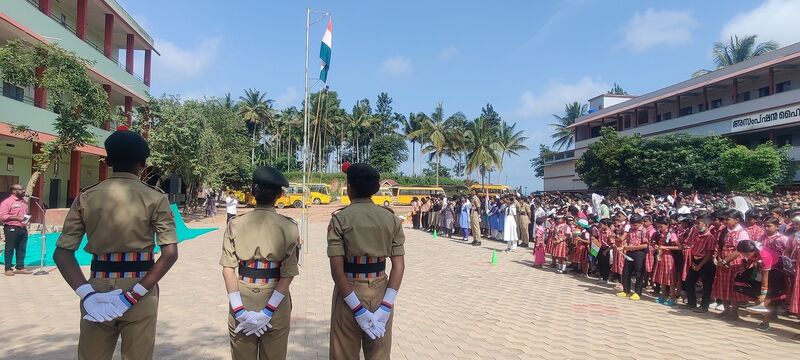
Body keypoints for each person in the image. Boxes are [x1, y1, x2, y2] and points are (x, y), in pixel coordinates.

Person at [53, 128, 179, 360]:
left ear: (108, 160)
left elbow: (62, 254)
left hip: (98, 286)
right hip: (141, 287)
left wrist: (87, 295)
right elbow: (170, 253)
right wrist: (133, 295)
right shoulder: (155, 197)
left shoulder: (86, 196)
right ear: (143, 163)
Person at [327, 163, 405, 360]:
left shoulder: (340, 219)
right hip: (380, 291)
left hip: (348, 292)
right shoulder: (391, 220)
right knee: (378, 354)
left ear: (350, 188)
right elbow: (398, 266)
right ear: (376, 189)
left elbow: (337, 271)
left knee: (343, 354)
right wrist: (386, 306)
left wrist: (356, 308)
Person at [220, 166, 299, 359]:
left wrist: (239, 310)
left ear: (253, 192)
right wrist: (268, 310)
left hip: (243, 297)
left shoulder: (235, 224)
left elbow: (228, 270)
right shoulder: (289, 227)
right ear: (280, 195)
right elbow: (287, 274)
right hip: (276, 301)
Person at [736, 239, 786, 331]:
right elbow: (750, 259)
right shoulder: (752, 251)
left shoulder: (764, 256)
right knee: (741, 279)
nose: (744, 256)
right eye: (743, 254)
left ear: (754, 250)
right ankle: (761, 307)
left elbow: (765, 277)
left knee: (768, 296)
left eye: (747, 254)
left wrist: (763, 293)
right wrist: (746, 266)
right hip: (761, 270)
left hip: (774, 272)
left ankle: (765, 322)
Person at [712, 209, 750, 320]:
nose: (725, 221)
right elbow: (720, 245)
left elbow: (739, 250)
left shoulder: (742, 232)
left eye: (728, 219)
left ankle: (734, 312)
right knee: (723, 286)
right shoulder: (725, 231)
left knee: (734, 287)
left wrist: (725, 261)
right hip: (723, 260)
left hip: (735, 263)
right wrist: (719, 258)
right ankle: (726, 310)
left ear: (737, 220)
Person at [685, 215, 717, 312]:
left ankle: (704, 306)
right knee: (689, 281)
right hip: (695, 260)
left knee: (706, 285)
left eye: (699, 223)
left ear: (706, 224)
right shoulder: (696, 234)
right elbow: (692, 247)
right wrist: (693, 262)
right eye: (696, 223)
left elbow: (709, 253)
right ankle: (691, 303)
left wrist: (700, 265)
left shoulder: (710, 237)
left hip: (705, 262)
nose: (697, 225)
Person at [1, 184, 31, 276]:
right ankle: (8, 268)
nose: (23, 190)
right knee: (10, 248)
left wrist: (27, 220)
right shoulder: (7, 202)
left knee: (21, 248)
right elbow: (3, 216)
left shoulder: (24, 202)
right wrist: (17, 218)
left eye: (23, 189)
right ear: (14, 191)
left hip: (23, 228)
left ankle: (20, 267)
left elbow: (26, 214)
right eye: (20, 189)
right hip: (11, 228)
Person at [618, 215, 648, 301]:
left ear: (640, 223)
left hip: (639, 253)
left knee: (639, 273)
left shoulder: (643, 231)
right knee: (626, 271)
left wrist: (633, 247)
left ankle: (637, 292)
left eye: (635, 225)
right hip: (629, 252)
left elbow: (645, 245)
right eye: (631, 224)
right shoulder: (630, 230)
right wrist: (624, 246)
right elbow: (627, 241)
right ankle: (626, 290)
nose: (633, 226)